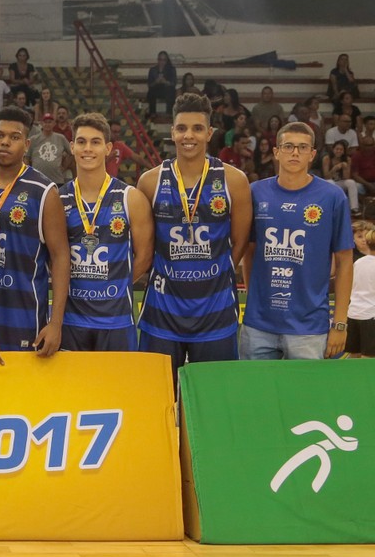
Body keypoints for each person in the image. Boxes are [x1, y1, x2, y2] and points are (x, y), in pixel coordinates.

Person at [135, 93, 252, 381]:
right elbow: (143, 247)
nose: (189, 136)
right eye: (182, 128)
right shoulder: (149, 181)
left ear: (209, 133)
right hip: (161, 311)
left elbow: (239, 242)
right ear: (172, 133)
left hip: (216, 311)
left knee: (213, 399)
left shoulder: (233, 180)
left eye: (198, 128)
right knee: (156, 397)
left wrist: (216, 273)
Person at [241, 122, 353, 359]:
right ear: (276, 151)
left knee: (305, 397)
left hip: (309, 327)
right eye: (289, 146)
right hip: (258, 325)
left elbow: (344, 261)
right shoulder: (254, 192)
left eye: (303, 147)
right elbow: (248, 251)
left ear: (312, 154)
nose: (295, 152)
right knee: (255, 395)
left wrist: (340, 323)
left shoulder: (332, 197)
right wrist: (254, 299)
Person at [0, 106, 69, 354]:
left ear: (27, 144)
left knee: (21, 391)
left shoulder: (44, 191)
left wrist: (55, 323)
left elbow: (61, 257)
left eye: (14, 137)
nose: (5, 142)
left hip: (23, 316)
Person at [58, 113, 154, 351]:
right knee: (73, 388)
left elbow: (144, 256)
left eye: (95, 142)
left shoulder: (131, 198)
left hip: (116, 319)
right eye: (81, 142)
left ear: (108, 148)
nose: (87, 148)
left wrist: (116, 285)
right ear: (72, 147)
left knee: (116, 387)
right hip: (71, 318)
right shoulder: (57, 199)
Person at [345, 228, 375, 357]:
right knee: (369, 359)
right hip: (371, 317)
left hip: (353, 314)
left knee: (354, 356)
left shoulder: (358, 263)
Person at [28, 113, 73, 185]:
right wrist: (29, 172)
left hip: (57, 179)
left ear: (54, 124)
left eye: (50, 122)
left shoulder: (61, 138)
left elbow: (71, 153)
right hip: (37, 179)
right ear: (41, 124)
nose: (47, 124)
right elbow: (26, 157)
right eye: (45, 122)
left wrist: (64, 167)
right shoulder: (33, 139)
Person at [322, 140, 360, 214]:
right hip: (328, 183)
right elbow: (326, 176)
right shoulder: (327, 158)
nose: (338, 151)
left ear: (344, 151)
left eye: (341, 150)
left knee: (351, 182)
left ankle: (354, 208)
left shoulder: (347, 159)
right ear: (333, 150)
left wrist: (345, 168)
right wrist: (335, 168)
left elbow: (347, 177)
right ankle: (332, 208)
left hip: (340, 182)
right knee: (331, 182)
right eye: (337, 149)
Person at [146, 51, 177, 119]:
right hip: (156, 89)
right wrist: (156, 82)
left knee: (171, 90)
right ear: (158, 60)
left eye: (164, 60)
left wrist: (165, 82)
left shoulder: (171, 69)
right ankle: (152, 112)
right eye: (160, 59)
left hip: (167, 89)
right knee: (151, 91)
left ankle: (169, 113)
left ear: (167, 60)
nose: (162, 62)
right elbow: (149, 84)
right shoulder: (153, 70)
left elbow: (174, 83)